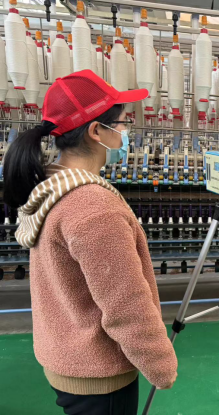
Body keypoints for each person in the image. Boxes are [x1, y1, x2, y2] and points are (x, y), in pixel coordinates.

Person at [3, 70, 178, 415]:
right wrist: (161, 366)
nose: (126, 133)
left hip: (66, 357)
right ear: (97, 131)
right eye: (122, 124)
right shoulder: (93, 207)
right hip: (99, 373)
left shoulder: (52, 189)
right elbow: (126, 304)